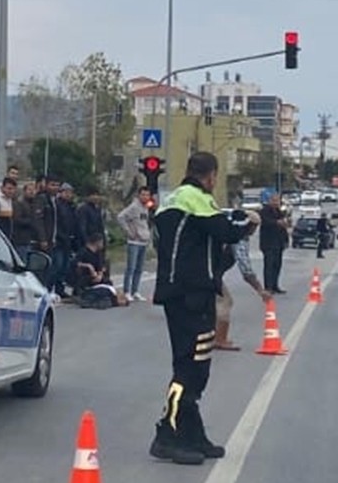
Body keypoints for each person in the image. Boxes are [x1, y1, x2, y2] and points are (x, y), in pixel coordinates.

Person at [150, 152, 257, 466]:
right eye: (215, 177)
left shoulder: (172, 201)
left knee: (197, 364)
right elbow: (226, 229)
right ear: (211, 176)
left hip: (181, 290)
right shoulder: (196, 198)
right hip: (190, 294)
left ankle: (193, 432)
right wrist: (250, 221)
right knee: (190, 367)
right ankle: (167, 435)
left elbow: (208, 248)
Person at [215, 211, 271, 351]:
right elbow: (246, 270)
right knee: (225, 302)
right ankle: (220, 340)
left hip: (206, 272)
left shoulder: (226, 231)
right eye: (255, 227)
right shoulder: (238, 238)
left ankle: (213, 336)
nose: (255, 230)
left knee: (213, 305)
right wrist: (260, 290)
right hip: (209, 274)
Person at [116, 187, 153, 302]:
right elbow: (121, 217)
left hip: (143, 240)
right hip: (134, 241)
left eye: (147, 195)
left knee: (139, 268)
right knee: (131, 267)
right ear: (139, 195)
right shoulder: (134, 207)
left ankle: (135, 290)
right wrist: (128, 231)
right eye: (143, 195)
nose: (145, 197)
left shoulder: (146, 208)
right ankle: (127, 291)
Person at [73, 233, 128, 308]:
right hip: (86, 277)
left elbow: (101, 266)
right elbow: (75, 263)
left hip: (97, 279)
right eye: (101, 242)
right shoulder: (83, 252)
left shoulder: (98, 254)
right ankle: (86, 297)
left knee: (107, 286)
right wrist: (89, 266)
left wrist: (100, 274)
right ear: (97, 242)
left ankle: (99, 300)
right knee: (105, 290)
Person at [259, 194, 289, 295]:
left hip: (279, 243)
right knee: (269, 265)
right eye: (274, 201)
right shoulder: (265, 211)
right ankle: (268, 287)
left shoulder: (279, 212)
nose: (276, 203)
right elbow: (266, 222)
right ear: (270, 201)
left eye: (278, 201)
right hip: (268, 243)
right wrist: (277, 222)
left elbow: (284, 226)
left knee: (277, 265)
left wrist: (286, 241)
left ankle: (275, 285)